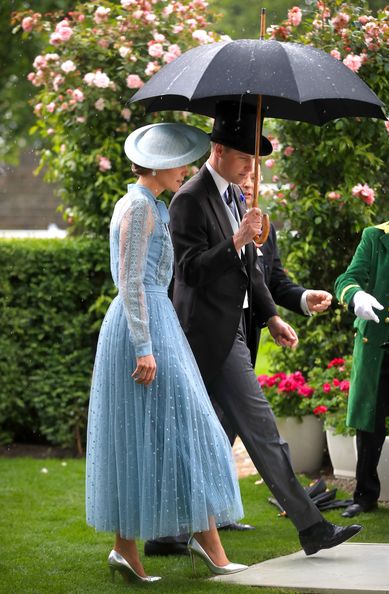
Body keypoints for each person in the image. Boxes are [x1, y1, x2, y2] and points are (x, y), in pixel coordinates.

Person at [167, 101, 361, 556]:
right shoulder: (188, 200)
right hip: (207, 338)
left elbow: (252, 273)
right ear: (217, 149)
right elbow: (189, 271)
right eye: (244, 158)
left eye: (255, 161)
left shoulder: (238, 196)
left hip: (239, 332)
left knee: (204, 440)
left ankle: (169, 533)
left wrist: (273, 314)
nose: (251, 169)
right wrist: (236, 239)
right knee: (264, 434)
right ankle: (312, 528)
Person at [86, 122, 248, 583]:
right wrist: (143, 346)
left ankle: (136, 548)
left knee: (167, 430)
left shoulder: (149, 204)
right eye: (182, 162)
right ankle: (196, 542)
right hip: (145, 330)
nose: (189, 169)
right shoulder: (139, 208)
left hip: (157, 324)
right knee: (183, 427)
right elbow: (132, 280)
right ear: (158, 165)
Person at [335, 181, 389, 518]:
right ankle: (365, 494)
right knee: (370, 422)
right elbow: (346, 279)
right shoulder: (376, 237)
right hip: (378, 346)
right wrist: (356, 296)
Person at [239, 168, 332, 367]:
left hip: (250, 334)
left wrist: (305, 297)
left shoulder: (266, 227)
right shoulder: (221, 221)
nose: (247, 183)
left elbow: (274, 282)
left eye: (254, 178)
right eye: (243, 176)